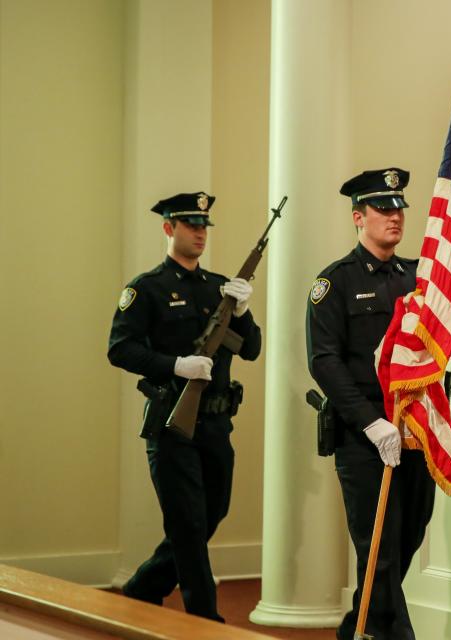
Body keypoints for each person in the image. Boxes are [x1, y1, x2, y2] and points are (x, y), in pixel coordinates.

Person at [306, 167, 451, 640]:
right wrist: (372, 423)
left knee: (408, 537)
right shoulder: (334, 283)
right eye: (383, 208)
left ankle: (351, 631)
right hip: (366, 438)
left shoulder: (420, 278)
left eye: (399, 207)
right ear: (358, 217)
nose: (395, 216)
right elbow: (325, 362)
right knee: (380, 551)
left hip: (416, 431)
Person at [108, 192, 262, 621]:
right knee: (188, 526)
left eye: (203, 226)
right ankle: (204, 621)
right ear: (168, 228)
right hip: (171, 424)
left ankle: (144, 586)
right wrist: (175, 365)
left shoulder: (220, 288)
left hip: (215, 423)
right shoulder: (147, 289)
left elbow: (251, 349)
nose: (199, 232)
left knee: (213, 512)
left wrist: (244, 311)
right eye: (190, 224)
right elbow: (119, 350)